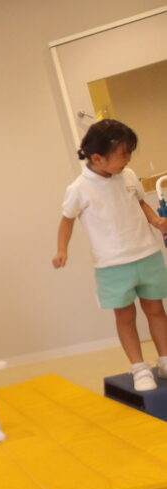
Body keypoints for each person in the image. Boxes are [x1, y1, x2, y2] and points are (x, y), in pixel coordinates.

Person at [53, 119, 167, 392]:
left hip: (147, 254)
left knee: (156, 310)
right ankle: (139, 367)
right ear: (97, 158)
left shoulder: (128, 175)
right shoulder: (79, 188)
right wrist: (62, 250)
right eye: (123, 154)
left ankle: (165, 359)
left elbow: (139, 202)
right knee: (125, 316)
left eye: (129, 153)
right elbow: (67, 220)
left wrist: (154, 219)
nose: (128, 159)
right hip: (112, 264)